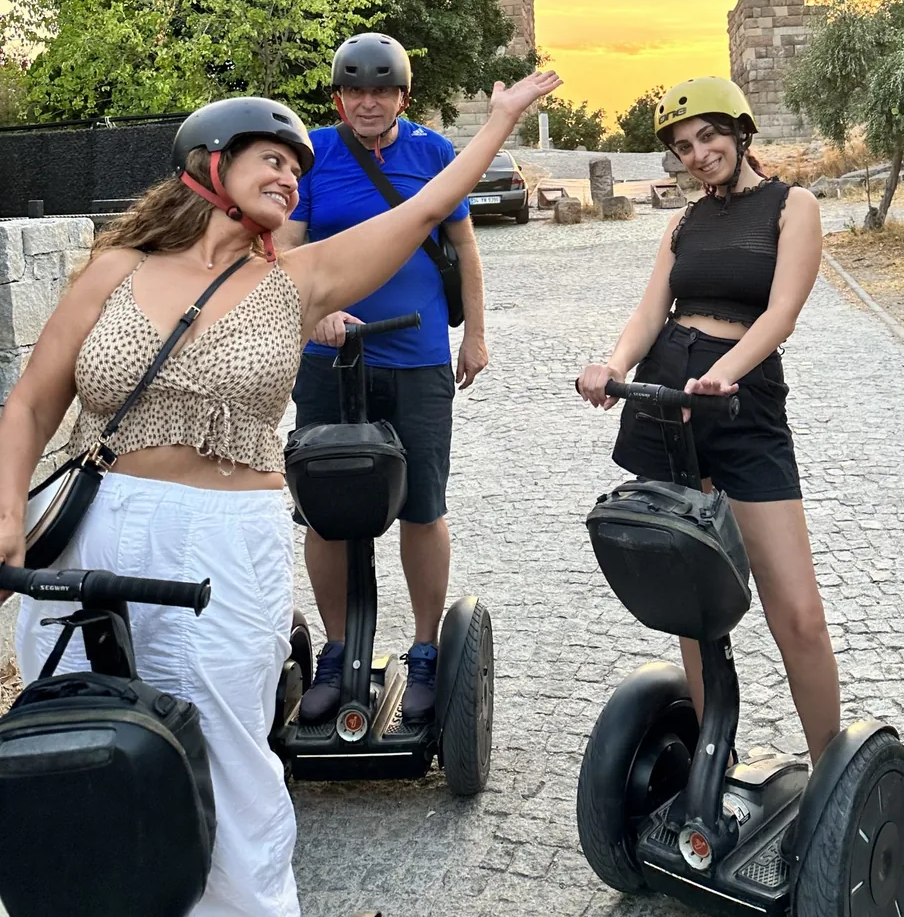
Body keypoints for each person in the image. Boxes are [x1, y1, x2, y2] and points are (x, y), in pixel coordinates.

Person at [0, 71, 559, 917]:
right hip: (93, 522)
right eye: (272, 159)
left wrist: (501, 122)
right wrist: (8, 504)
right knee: (73, 739)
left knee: (231, 752)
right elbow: (36, 400)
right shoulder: (115, 269)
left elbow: (422, 212)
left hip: (226, 539)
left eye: (298, 169)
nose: (291, 179)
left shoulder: (294, 281)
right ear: (208, 164)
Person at [575, 76, 840, 762]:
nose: (698, 154)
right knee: (690, 598)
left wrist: (728, 370)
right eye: (683, 147)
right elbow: (649, 312)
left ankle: (830, 773)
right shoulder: (683, 221)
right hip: (671, 393)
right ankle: (711, 759)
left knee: (798, 613)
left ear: (740, 132)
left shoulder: (793, 206)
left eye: (708, 137)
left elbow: (781, 313)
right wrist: (614, 365)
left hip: (740, 399)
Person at [275, 33, 488, 726]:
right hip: (328, 359)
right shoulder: (314, 154)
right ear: (339, 97)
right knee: (325, 508)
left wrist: (475, 335)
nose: (368, 103)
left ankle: (425, 650)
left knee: (422, 503)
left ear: (403, 95)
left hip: (417, 355)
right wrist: (315, 311)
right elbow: (285, 248)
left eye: (382, 91)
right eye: (355, 92)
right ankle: (338, 651)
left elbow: (462, 246)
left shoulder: (432, 153)